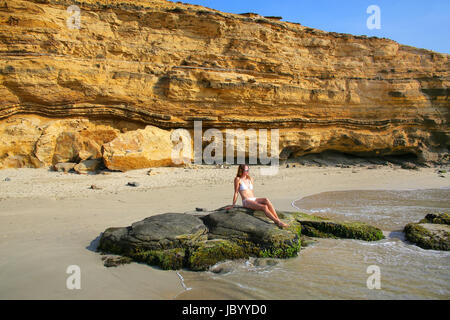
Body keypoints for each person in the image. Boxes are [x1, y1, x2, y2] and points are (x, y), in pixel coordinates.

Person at [224, 164, 289, 228]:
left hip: (253, 199)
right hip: (246, 201)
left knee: (266, 199)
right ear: (241, 170)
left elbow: (251, 192)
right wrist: (233, 205)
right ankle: (278, 222)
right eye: (246, 170)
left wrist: (256, 202)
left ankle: (277, 219)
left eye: (248, 170)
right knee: (264, 207)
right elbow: (236, 192)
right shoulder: (238, 179)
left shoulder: (250, 179)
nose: (247, 171)